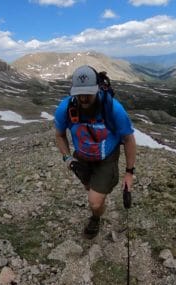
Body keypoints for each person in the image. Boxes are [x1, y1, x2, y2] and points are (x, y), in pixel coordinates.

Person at [54, 65, 137, 238]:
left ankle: (95, 216)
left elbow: (129, 139)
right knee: (88, 187)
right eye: (79, 93)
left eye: (88, 93)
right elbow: (60, 135)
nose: (83, 98)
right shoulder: (65, 109)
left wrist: (129, 172)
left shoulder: (113, 108)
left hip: (107, 158)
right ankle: (96, 197)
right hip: (82, 158)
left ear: (97, 88)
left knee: (94, 202)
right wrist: (68, 159)